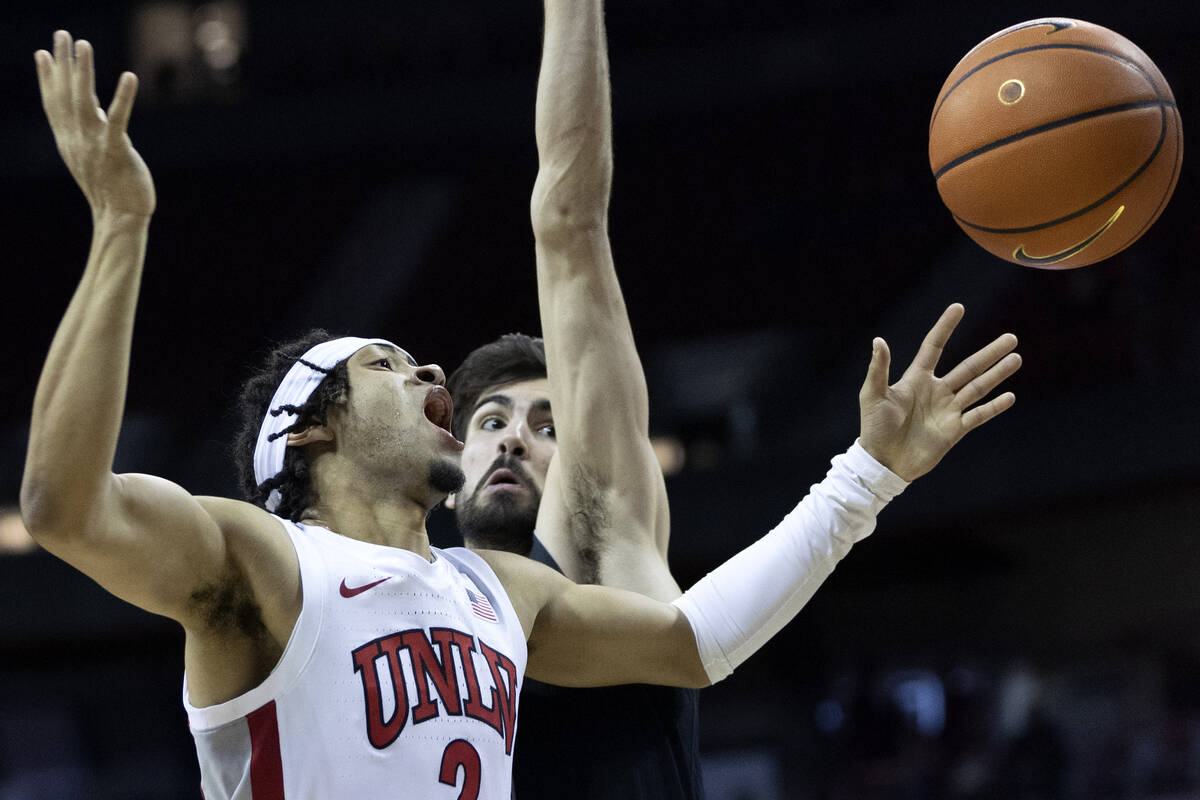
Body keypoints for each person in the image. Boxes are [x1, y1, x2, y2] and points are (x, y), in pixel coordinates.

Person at [21, 19, 1021, 800]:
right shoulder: (261, 560)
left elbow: (693, 641)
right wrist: (121, 227)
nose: (432, 381)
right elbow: (65, 508)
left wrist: (869, 473)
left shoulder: (496, 591)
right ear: (313, 427)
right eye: (389, 365)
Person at [444, 5, 698, 794]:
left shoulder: (597, 538)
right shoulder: (418, 612)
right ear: (452, 462)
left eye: (547, 424)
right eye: (491, 421)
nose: (515, 438)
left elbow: (568, 221)